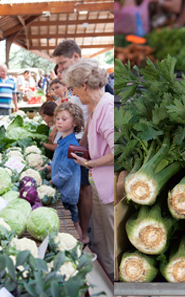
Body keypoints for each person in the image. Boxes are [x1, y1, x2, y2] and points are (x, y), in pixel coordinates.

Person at [64, 58, 116, 273]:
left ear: (83, 85)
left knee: (111, 239)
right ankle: (106, 277)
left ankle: (115, 280)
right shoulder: (96, 106)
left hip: (109, 184)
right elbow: (90, 134)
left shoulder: (108, 108)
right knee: (101, 237)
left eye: (74, 88)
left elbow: (116, 151)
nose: (74, 94)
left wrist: (90, 162)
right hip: (99, 182)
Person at [50, 102, 84, 240]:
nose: (59, 122)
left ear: (75, 122)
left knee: (73, 222)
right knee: (72, 220)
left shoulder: (71, 146)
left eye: (64, 119)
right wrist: (48, 167)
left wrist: (51, 182)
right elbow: (61, 164)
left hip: (67, 193)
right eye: (58, 118)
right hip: (64, 191)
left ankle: (80, 243)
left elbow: (65, 173)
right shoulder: (63, 141)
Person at [52, 40, 88, 122]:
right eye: (58, 64)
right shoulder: (73, 82)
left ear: (75, 57)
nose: (59, 68)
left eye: (62, 63)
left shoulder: (91, 79)